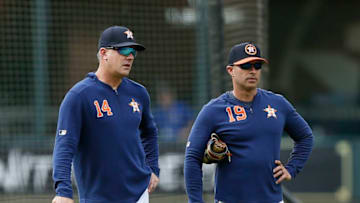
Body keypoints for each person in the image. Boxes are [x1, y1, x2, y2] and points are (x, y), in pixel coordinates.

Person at [184, 42, 314, 203]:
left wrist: (291, 169)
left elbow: (305, 137)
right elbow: (192, 157)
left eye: (257, 65)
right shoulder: (214, 110)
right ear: (230, 70)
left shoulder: (278, 103)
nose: (253, 71)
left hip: (272, 199)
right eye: (245, 66)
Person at [52, 25, 160, 203]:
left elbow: (149, 132)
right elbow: (65, 145)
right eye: (123, 49)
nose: (130, 56)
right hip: (98, 197)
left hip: (138, 194)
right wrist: (63, 190)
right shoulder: (79, 96)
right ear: (104, 53)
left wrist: (153, 168)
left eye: (133, 51)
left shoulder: (139, 93)